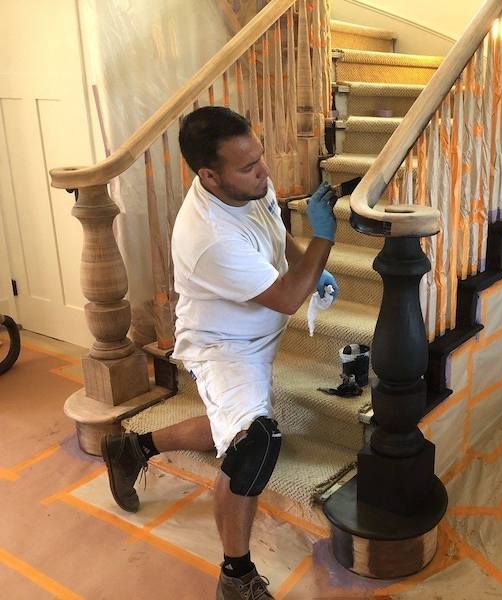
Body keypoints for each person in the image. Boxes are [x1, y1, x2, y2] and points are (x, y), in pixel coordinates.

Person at [100, 106, 338, 600]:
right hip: (224, 346)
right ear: (209, 174)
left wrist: (305, 262)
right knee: (254, 442)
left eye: (261, 157)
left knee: (227, 427)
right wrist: (325, 242)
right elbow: (288, 297)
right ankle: (236, 575)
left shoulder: (246, 182)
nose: (264, 172)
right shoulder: (206, 237)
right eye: (249, 166)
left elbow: (274, 231)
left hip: (259, 328)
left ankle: (131, 449)